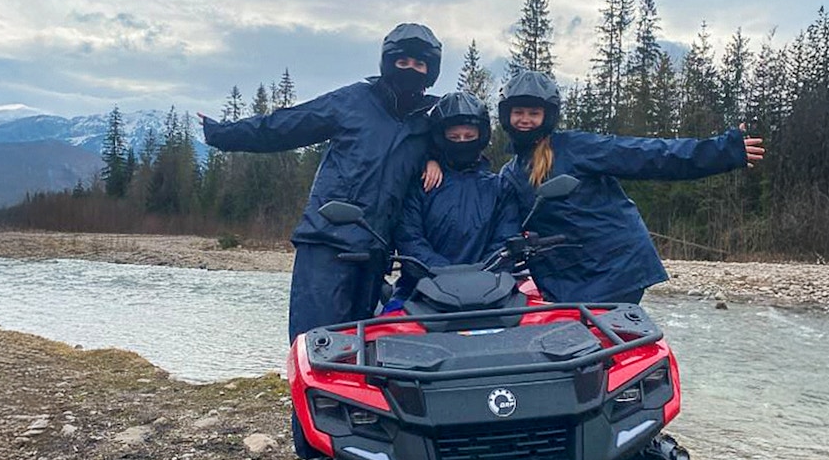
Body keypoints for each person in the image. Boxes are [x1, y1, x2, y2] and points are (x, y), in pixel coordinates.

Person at [197, 23, 443, 342]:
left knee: (362, 351)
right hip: (327, 241)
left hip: (376, 249)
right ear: (389, 62)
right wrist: (222, 134)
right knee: (314, 343)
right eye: (403, 62)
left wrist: (433, 155)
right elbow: (286, 125)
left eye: (419, 64)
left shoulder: (427, 121)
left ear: (430, 70)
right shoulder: (353, 100)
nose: (411, 70)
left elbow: (462, 147)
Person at [496, 70, 766, 304]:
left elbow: (650, 155)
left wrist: (722, 151)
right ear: (507, 116)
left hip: (613, 268)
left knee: (596, 353)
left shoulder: (576, 148)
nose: (525, 119)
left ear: (548, 115)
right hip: (566, 274)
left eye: (534, 113)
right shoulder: (510, 174)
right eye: (518, 112)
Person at [389, 91, 519, 306]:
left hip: (492, 292)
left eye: (469, 137)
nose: (462, 142)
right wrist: (443, 273)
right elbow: (409, 238)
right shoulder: (420, 184)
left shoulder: (499, 187)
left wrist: (480, 275)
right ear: (441, 138)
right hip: (419, 292)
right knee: (380, 334)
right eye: (454, 137)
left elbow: (505, 240)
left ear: (482, 136)